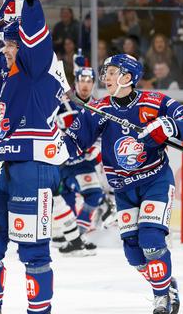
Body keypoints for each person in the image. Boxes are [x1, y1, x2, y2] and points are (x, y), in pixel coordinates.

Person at [65, 54, 183, 314]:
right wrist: (52, 144)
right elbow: (74, 142)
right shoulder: (99, 108)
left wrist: (168, 126)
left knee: (151, 239)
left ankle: (161, 297)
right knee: (134, 254)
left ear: (128, 77)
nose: (106, 77)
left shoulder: (154, 101)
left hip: (155, 181)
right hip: (123, 189)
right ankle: (166, 285)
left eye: (112, 72)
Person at [0, 0, 70, 314]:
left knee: (32, 251)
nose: (4, 50)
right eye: (3, 44)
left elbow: (36, 37)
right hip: (4, 166)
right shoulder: (11, 71)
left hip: (34, 165)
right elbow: (12, 38)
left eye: (10, 44)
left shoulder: (37, 66)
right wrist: (10, 1)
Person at [52, 60, 105, 257]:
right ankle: (70, 236)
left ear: (93, 84)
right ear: (75, 82)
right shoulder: (61, 104)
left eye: (89, 81)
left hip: (83, 163)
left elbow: (101, 133)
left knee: (94, 194)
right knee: (64, 198)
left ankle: (78, 236)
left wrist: (96, 148)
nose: (85, 84)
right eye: (81, 80)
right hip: (61, 161)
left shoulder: (98, 107)